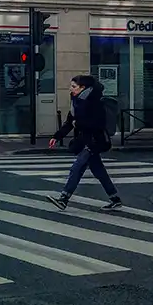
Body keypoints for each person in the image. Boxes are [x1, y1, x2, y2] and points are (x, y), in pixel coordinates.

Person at [47, 74, 122, 211]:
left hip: (95, 141)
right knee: (98, 170)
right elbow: (70, 122)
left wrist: (79, 123)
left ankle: (64, 198)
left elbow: (98, 123)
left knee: (77, 167)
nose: (71, 89)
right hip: (85, 140)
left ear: (83, 88)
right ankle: (115, 198)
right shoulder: (76, 101)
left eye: (74, 87)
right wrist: (57, 136)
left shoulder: (95, 102)